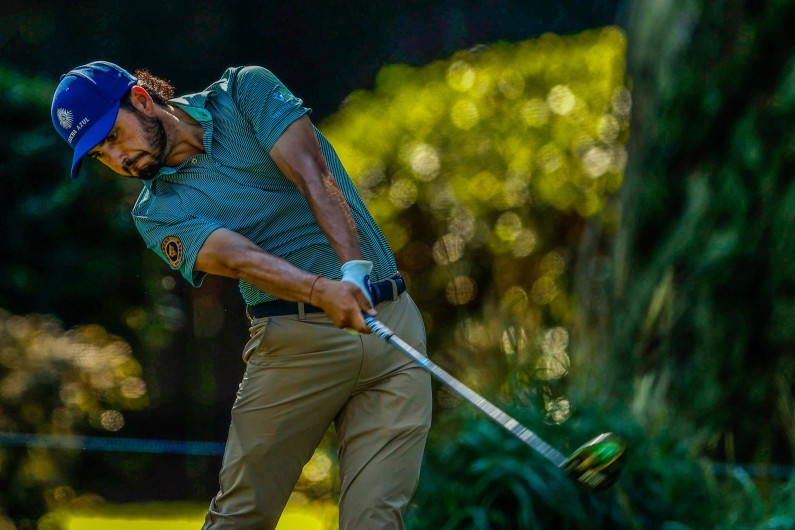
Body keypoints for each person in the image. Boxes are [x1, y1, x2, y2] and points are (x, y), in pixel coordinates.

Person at [51, 61, 432, 530]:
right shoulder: (157, 212)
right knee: (241, 519)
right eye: (99, 155)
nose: (117, 159)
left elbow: (311, 173)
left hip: (392, 325)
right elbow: (239, 259)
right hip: (294, 344)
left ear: (142, 100)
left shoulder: (243, 92)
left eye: (113, 136)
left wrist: (353, 272)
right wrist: (324, 291)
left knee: (375, 521)